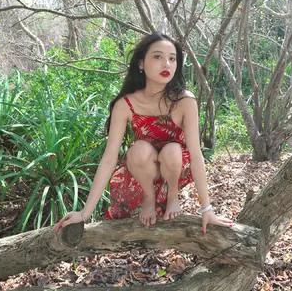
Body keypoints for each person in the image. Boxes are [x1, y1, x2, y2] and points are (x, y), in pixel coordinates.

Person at [54, 32, 233, 235]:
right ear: (141, 63)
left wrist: (207, 210)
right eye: (157, 57)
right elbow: (109, 158)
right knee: (138, 149)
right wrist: (85, 213)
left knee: (172, 150)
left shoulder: (185, 101)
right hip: (144, 169)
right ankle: (149, 197)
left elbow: (196, 154)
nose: (166, 64)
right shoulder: (125, 104)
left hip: (175, 167)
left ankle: (172, 196)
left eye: (172, 58)